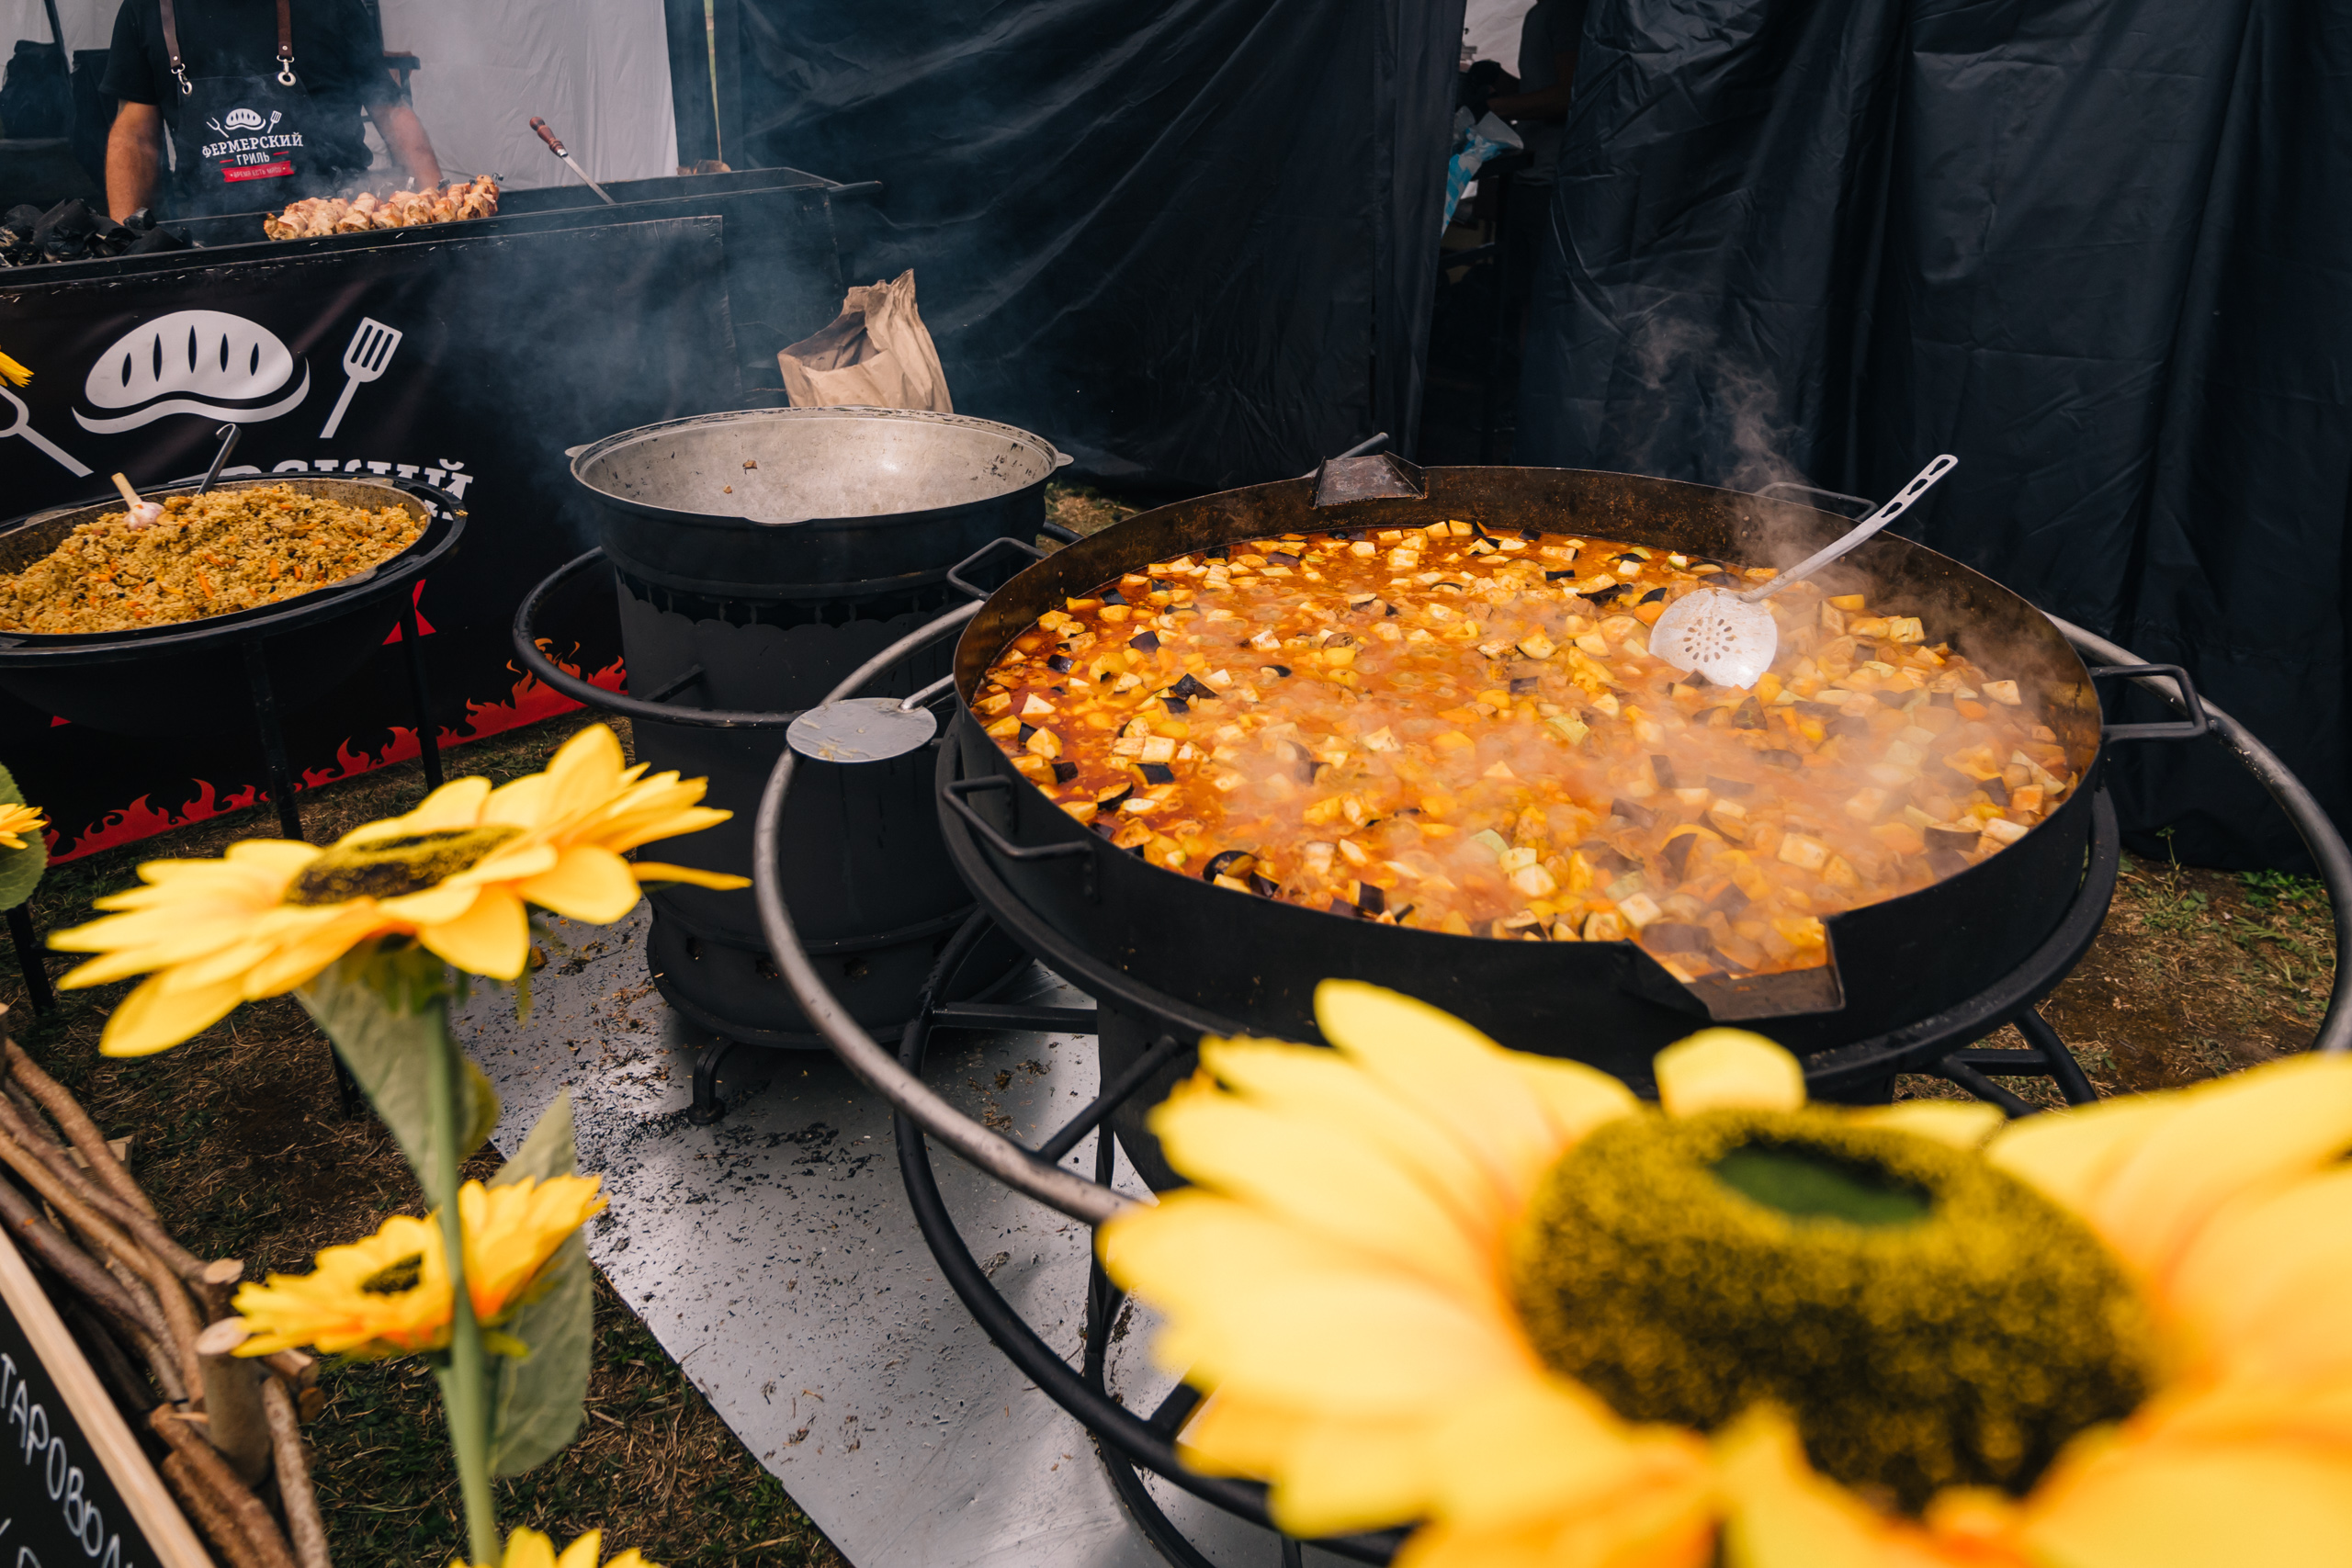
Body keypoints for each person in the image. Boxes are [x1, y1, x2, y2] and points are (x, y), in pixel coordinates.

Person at [100, 0, 440, 220]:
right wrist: (125, 245)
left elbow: (391, 111)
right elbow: (135, 137)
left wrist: (440, 210)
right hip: (213, 249)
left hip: (340, 232)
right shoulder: (147, 11)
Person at [1484, 0, 1587, 176]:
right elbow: (1535, 94)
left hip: (1553, 176)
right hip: (1531, 167)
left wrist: (1491, 108)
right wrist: (1495, 76)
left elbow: (1569, 97)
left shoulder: (1567, 9)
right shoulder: (1542, 12)